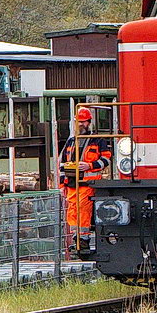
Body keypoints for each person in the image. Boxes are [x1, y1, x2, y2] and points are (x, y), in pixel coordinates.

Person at [59, 106, 112, 253]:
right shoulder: (71, 141)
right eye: (79, 122)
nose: (81, 124)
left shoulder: (97, 141)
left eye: (83, 122)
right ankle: (76, 238)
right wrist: (62, 185)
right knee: (72, 211)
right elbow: (63, 164)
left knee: (83, 210)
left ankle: (83, 240)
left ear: (89, 122)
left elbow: (106, 159)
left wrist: (89, 165)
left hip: (88, 184)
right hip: (72, 184)